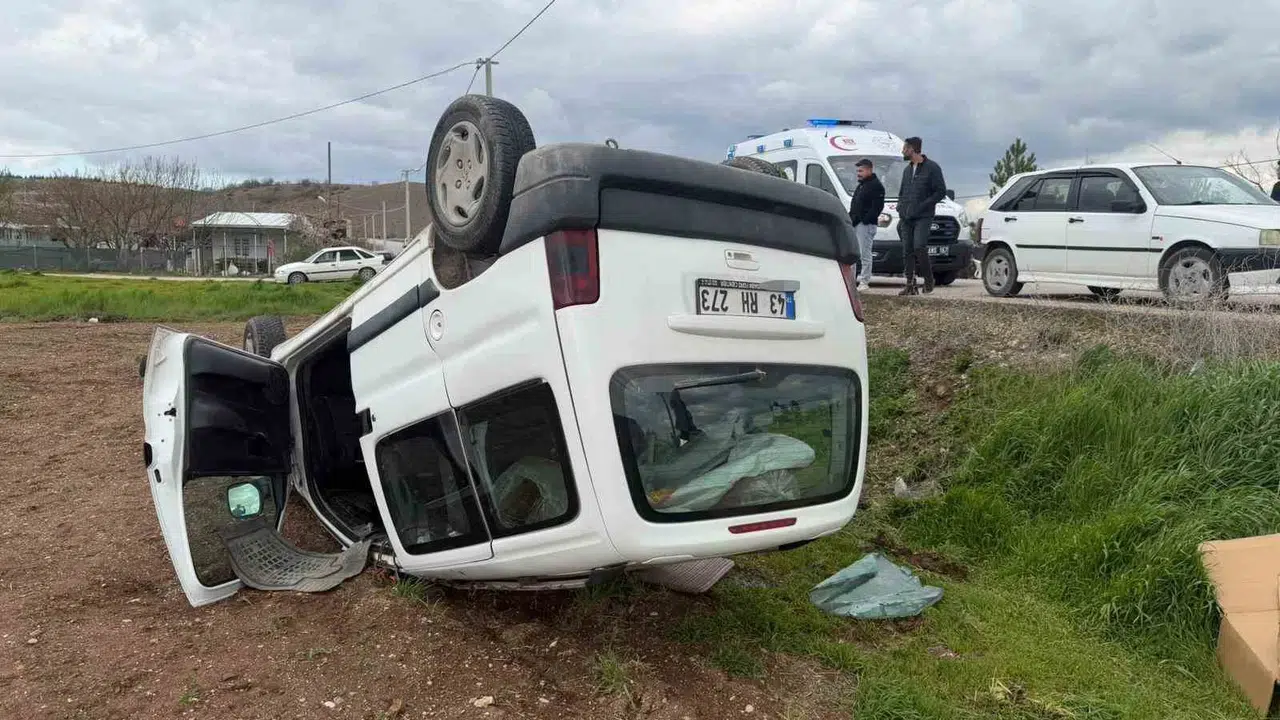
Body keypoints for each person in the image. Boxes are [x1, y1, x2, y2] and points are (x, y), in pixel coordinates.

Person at [896, 136, 948, 296]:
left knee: (919, 246)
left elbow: (940, 191)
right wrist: (900, 207)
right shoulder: (907, 170)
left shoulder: (932, 168)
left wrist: (924, 205)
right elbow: (903, 191)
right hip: (906, 216)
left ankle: (928, 279)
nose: (903, 151)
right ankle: (910, 284)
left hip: (923, 216)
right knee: (907, 250)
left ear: (913, 149)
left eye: (905, 148)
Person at [848, 158, 886, 291]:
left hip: (866, 225)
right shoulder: (861, 185)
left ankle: (864, 281)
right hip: (855, 224)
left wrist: (865, 219)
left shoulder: (876, 186)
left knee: (865, 253)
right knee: (852, 253)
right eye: (857, 170)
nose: (858, 173)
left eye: (861, 170)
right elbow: (855, 205)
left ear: (869, 170)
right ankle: (850, 281)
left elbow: (877, 207)